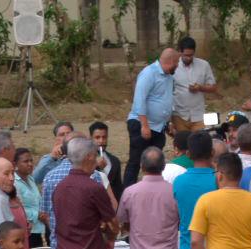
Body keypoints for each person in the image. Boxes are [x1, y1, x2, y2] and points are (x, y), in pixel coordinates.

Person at [127, 47, 179, 191]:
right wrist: (144, 125)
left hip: (158, 126)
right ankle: (126, 195)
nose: (178, 66)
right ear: (172, 61)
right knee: (136, 161)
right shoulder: (149, 73)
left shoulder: (169, 77)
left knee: (155, 163)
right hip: (142, 124)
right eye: (178, 62)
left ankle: (151, 191)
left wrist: (168, 122)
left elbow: (165, 100)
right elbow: (139, 100)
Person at [171, 38, 218, 141]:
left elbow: (213, 87)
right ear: (180, 52)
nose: (189, 58)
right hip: (179, 115)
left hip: (198, 114)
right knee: (183, 145)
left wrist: (200, 87)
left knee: (199, 145)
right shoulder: (173, 65)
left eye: (191, 55)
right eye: (186, 55)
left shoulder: (204, 65)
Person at [14, 148, 44, 248]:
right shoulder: (14, 183)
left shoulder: (30, 179)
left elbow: (37, 201)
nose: (30, 164)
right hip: (24, 231)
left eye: (31, 160)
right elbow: (17, 209)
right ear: (16, 164)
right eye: (26, 161)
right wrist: (37, 214)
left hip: (37, 229)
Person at [88, 121, 125, 202]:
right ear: (91, 139)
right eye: (97, 137)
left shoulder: (114, 161)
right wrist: (95, 166)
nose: (101, 141)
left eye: (104, 137)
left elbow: (118, 188)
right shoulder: (84, 159)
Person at [34, 121, 75, 186]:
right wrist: (52, 157)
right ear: (56, 139)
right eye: (62, 135)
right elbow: (35, 179)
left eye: (69, 133)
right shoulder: (49, 160)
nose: (66, 137)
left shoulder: (80, 155)